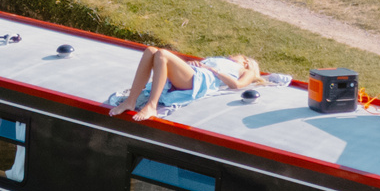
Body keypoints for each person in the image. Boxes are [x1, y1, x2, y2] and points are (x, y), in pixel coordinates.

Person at [108, 46, 264, 121]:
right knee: (151, 51)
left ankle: (152, 106)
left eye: (236, 56)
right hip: (194, 73)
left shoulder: (246, 70)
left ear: (246, 62)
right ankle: (131, 101)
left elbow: (236, 85)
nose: (232, 56)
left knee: (162, 54)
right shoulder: (222, 61)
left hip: (200, 80)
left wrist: (211, 69)